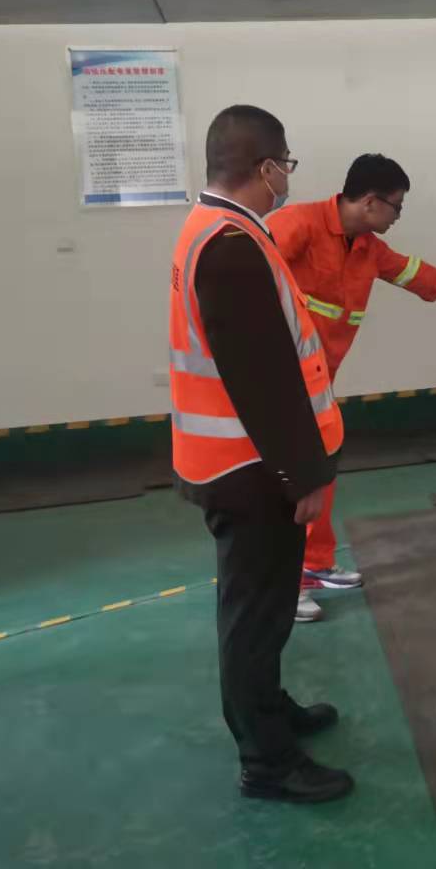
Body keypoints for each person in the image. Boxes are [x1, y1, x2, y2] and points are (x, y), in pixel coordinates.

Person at [168, 104, 353, 804]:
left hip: (239, 463)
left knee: (266, 610)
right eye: (287, 166)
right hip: (248, 470)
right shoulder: (230, 245)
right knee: (253, 618)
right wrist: (303, 475)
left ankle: (271, 712)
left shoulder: (220, 228)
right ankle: (266, 761)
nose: (289, 179)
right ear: (267, 167)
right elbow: (264, 380)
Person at [268, 154, 436, 622]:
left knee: (321, 470)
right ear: (371, 202)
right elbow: (250, 275)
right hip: (279, 382)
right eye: (397, 206)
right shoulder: (299, 225)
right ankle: (280, 586)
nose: (398, 216)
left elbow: (417, 274)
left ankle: (314, 564)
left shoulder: (367, 248)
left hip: (318, 383)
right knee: (287, 483)